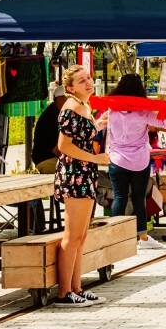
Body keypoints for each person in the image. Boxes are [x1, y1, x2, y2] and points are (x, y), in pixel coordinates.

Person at [52, 66, 113, 306]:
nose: (89, 83)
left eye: (88, 78)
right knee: (72, 235)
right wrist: (96, 159)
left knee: (81, 234)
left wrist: (97, 124)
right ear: (70, 88)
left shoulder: (84, 107)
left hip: (84, 174)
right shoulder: (71, 108)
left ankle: (76, 287)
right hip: (75, 174)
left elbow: (81, 136)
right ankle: (64, 292)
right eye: (81, 81)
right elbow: (64, 146)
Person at [102, 74, 166, 249]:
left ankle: (113, 238)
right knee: (139, 198)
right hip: (139, 161)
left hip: (117, 160)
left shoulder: (111, 110)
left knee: (120, 197)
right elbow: (163, 124)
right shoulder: (144, 112)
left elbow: (99, 125)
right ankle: (143, 237)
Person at [31, 88, 66, 174]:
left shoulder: (54, 112)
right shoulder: (54, 116)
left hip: (47, 159)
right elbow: (57, 149)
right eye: (69, 99)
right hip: (48, 160)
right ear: (59, 99)